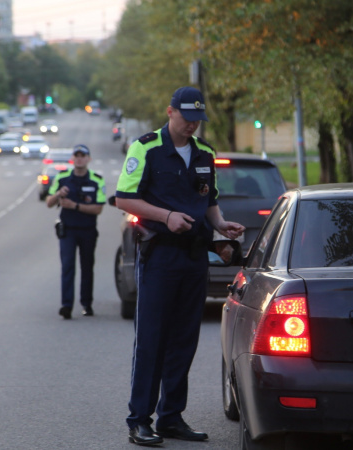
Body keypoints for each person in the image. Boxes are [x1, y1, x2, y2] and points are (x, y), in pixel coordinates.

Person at [115, 86, 245, 446]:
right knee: (151, 340)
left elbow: (210, 199)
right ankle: (140, 419)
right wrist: (166, 216)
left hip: (194, 257)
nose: (192, 125)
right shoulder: (146, 148)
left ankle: (171, 417)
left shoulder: (205, 153)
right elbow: (124, 197)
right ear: (170, 111)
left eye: (197, 120)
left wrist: (220, 225)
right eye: (187, 118)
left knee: (184, 340)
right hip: (160, 255)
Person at [46, 144, 106, 319]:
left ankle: (86, 304)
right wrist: (58, 194)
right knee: (67, 267)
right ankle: (66, 305)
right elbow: (49, 202)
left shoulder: (96, 180)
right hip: (68, 230)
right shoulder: (62, 178)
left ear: (88, 159)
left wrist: (75, 206)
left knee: (87, 267)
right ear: (72, 158)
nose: (79, 158)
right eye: (76, 155)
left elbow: (98, 209)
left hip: (88, 230)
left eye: (83, 155)